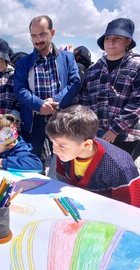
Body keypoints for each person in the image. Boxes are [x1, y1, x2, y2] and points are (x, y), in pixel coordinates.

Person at [14, 15, 80, 162]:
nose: (38, 40)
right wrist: (39, 105)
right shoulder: (23, 63)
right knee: (32, 161)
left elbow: (75, 83)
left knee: (65, 161)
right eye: (34, 36)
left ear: (53, 32)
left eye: (42, 34)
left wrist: (57, 101)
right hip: (34, 121)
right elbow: (19, 89)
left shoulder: (67, 57)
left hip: (61, 118)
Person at [45, 105, 140, 206]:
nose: (54, 150)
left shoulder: (119, 166)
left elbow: (130, 208)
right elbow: (61, 183)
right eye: (52, 143)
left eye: (61, 145)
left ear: (86, 144)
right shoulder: (65, 154)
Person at [80, 18, 140, 161]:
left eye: (117, 38)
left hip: (126, 136)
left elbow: (137, 102)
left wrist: (115, 129)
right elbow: (85, 100)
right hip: (96, 134)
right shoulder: (94, 69)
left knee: (121, 175)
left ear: (128, 42)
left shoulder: (136, 65)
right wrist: (91, 127)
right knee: (97, 175)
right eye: (108, 38)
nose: (111, 42)